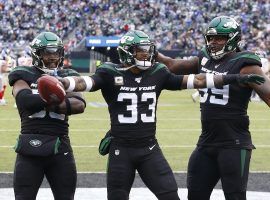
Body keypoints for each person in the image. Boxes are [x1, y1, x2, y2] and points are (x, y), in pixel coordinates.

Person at [58, 30, 263, 200]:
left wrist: (235, 78)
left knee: (170, 195)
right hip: (121, 150)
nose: (147, 55)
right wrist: (66, 83)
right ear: (128, 53)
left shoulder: (158, 72)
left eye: (148, 50)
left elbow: (198, 80)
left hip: (149, 149)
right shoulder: (110, 72)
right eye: (141, 51)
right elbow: (86, 83)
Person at [156, 16, 270, 200]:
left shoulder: (246, 65)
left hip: (234, 145)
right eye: (210, 38)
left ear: (232, 39)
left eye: (220, 38)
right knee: (195, 195)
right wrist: (154, 52)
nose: (214, 43)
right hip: (206, 143)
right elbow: (173, 66)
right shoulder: (204, 58)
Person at [8, 32, 86, 200]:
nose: (53, 57)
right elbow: (24, 101)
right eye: (47, 52)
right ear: (37, 54)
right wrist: (56, 96)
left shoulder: (67, 75)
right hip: (30, 144)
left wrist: (45, 99)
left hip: (60, 145)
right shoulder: (23, 73)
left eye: (56, 52)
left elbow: (79, 105)